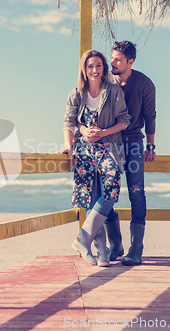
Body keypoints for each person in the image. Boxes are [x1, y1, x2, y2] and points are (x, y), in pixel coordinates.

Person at [59, 49, 130, 266]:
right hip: (84, 149)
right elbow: (69, 122)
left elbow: (124, 120)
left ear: (104, 68)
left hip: (109, 147)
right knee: (91, 196)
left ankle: (83, 239)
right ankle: (102, 253)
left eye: (99, 65)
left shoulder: (114, 91)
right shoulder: (76, 93)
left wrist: (102, 132)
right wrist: (68, 145)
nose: (94, 70)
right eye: (90, 66)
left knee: (110, 190)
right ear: (84, 69)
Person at [103, 40, 156, 266]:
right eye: (112, 57)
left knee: (136, 192)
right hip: (109, 144)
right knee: (106, 193)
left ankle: (136, 249)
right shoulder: (104, 81)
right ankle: (116, 245)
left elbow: (150, 116)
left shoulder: (144, 84)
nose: (112, 62)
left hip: (134, 142)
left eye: (118, 60)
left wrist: (151, 146)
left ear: (130, 62)